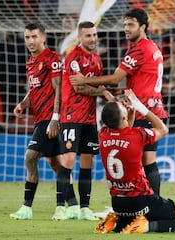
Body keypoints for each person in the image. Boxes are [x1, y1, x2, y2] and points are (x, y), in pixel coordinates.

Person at [70, 8, 168, 196]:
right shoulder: (152, 47)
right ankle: (149, 202)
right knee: (148, 160)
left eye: (131, 25)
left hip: (142, 109)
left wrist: (85, 80)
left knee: (140, 161)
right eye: (125, 25)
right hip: (153, 108)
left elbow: (116, 78)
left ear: (143, 27)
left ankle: (146, 203)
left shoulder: (139, 50)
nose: (126, 28)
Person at [94, 89, 175, 234]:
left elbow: (124, 130)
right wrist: (139, 106)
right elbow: (163, 129)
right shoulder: (137, 135)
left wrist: (130, 112)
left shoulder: (104, 134)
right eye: (122, 107)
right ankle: (146, 227)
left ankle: (117, 224)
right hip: (141, 200)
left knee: (128, 219)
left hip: (118, 203)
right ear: (123, 117)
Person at [9, 22, 77, 220]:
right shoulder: (31, 62)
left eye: (34, 37)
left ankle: (26, 208)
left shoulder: (52, 59)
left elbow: (59, 90)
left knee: (30, 157)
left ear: (43, 37)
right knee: (56, 164)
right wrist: (22, 104)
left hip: (51, 118)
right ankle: (72, 206)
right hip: (40, 117)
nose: (30, 41)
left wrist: (55, 119)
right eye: (27, 37)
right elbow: (35, 89)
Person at [53, 21, 114, 221]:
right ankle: (60, 207)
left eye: (95, 35)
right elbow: (79, 88)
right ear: (79, 37)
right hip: (71, 116)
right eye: (88, 35)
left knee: (87, 162)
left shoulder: (97, 60)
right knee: (68, 160)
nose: (93, 39)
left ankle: (84, 208)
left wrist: (104, 91)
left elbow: (93, 85)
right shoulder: (72, 58)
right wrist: (102, 91)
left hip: (89, 118)